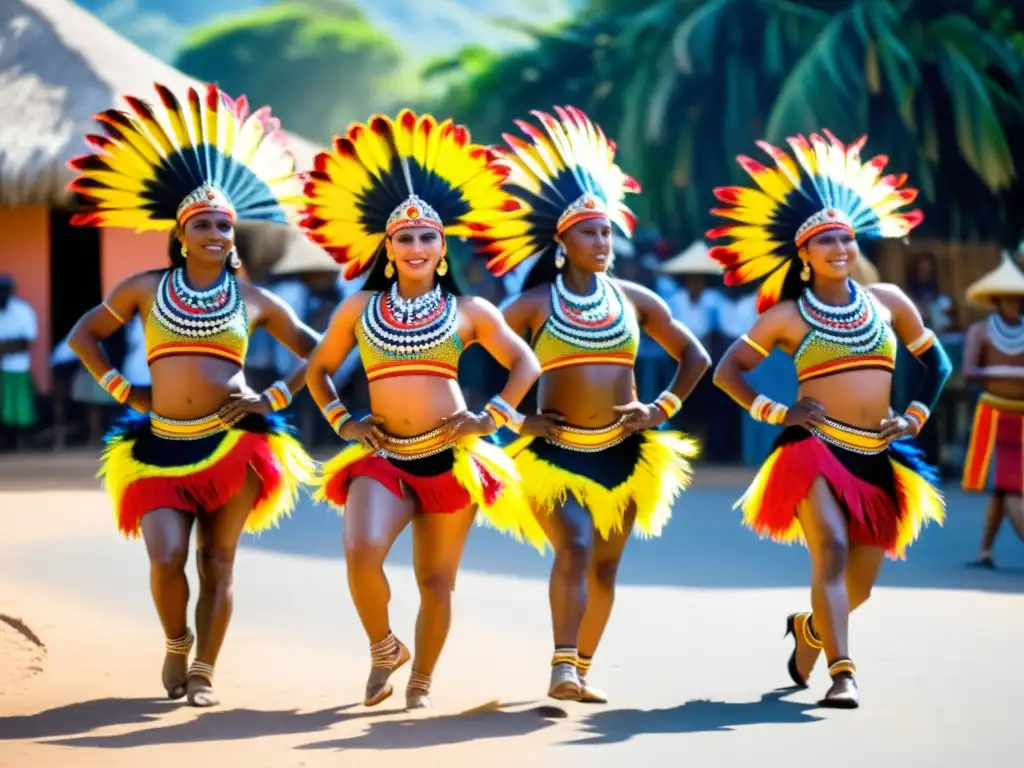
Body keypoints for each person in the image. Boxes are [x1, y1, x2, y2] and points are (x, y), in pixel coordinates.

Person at [65, 82, 319, 707]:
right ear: (181, 234)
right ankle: (177, 640)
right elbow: (83, 336)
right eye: (202, 224)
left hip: (234, 444)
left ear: (234, 237)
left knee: (218, 563)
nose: (214, 232)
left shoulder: (256, 300)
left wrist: (276, 397)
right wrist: (127, 390)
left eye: (223, 226)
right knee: (166, 556)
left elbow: (323, 350)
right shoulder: (144, 287)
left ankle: (204, 671)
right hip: (157, 445)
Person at [300, 109, 544, 710]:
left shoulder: (471, 309)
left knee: (436, 582)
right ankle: (385, 647)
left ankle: (421, 681)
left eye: (426, 237)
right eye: (404, 238)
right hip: (382, 455)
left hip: (451, 458)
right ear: (387, 246)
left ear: (442, 247)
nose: (415, 246)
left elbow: (526, 365)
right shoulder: (359, 305)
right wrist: (344, 422)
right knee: (361, 552)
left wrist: (492, 418)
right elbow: (318, 371)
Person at [709, 131, 952, 709]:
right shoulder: (786, 316)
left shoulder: (890, 300)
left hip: (877, 454)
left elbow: (935, 361)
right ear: (805, 254)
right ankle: (843, 672)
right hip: (812, 446)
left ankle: (811, 631)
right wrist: (776, 410)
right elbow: (727, 371)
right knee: (833, 552)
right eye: (825, 241)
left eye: (845, 237)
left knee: (861, 583)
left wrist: (914, 414)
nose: (839, 247)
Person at [481, 106, 710, 703]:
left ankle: (580, 668)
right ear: (563, 241)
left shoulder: (636, 299)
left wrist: (660, 408)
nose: (602, 240)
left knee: (606, 566)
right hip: (552, 453)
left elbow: (696, 358)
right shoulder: (531, 304)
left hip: (626, 457)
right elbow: (473, 361)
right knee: (576, 546)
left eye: (607, 230)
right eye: (589, 231)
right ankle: (561, 666)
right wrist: (515, 416)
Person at [961, 253, 1024, 566]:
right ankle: (985, 549)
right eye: (1012, 299)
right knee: (1010, 482)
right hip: (995, 412)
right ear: (998, 300)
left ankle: (984, 550)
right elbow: (969, 371)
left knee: (1007, 484)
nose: (1018, 304)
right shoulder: (981, 331)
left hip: (1023, 413)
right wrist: (1005, 373)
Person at [0, 275, 39, 450]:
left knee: (21, 409)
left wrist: (4, 347)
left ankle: (23, 444)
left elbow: (27, 341)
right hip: (2, 370)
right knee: (4, 409)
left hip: (18, 367)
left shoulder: (23, 311)